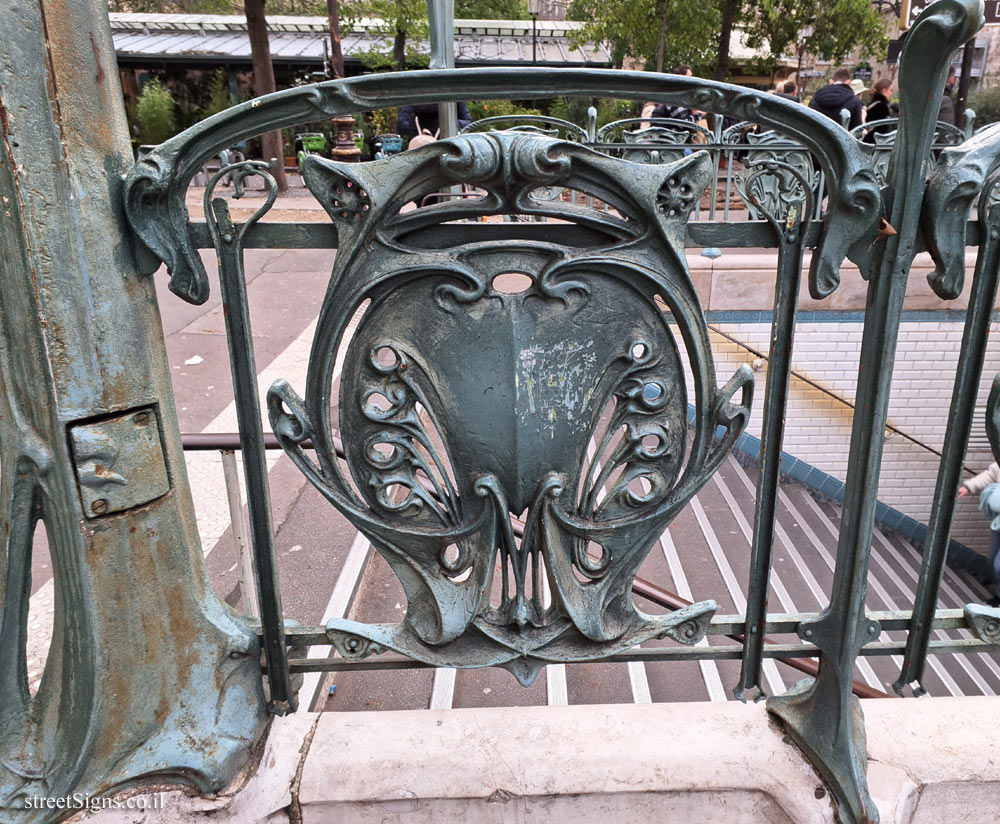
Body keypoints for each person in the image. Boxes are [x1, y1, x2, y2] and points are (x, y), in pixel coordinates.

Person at [958, 462, 1000, 607]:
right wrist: (968, 487)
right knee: (993, 559)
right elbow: (991, 473)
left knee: (999, 565)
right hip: (998, 523)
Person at [396, 102, 472, 139]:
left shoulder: (453, 92)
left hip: (448, 140)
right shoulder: (416, 93)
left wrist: (450, 124)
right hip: (419, 142)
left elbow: (468, 122)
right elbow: (401, 125)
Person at [862, 78, 894, 143]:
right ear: (884, 90)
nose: (892, 93)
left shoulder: (873, 103)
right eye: (891, 90)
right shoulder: (881, 106)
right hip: (877, 143)